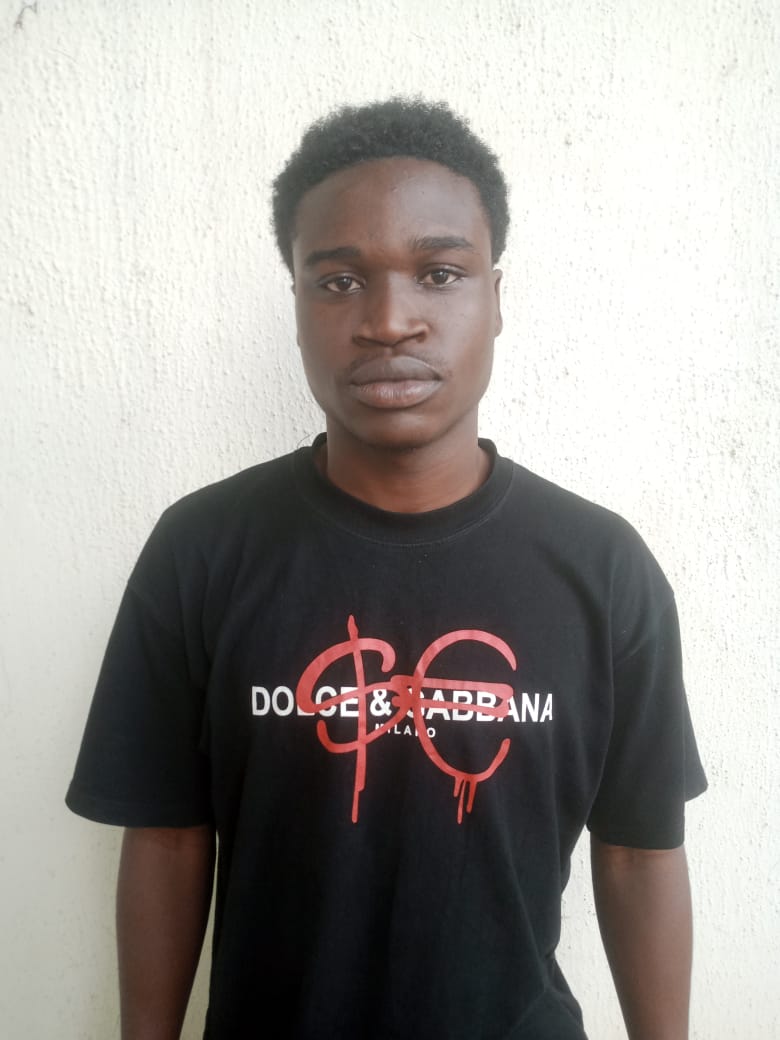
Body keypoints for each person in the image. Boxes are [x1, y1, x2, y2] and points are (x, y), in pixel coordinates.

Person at [66, 98, 707, 1040]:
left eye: (440, 273)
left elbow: (640, 855)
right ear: (296, 307)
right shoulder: (201, 549)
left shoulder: (602, 568)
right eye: (338, 282)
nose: (390, 320)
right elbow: (165, 836)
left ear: (496, 299)